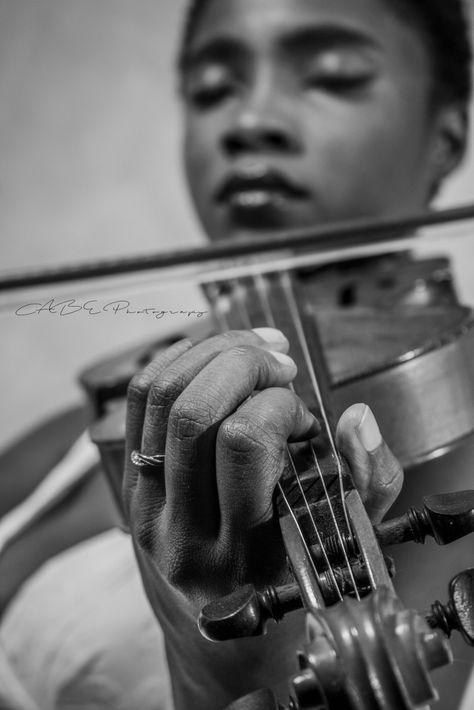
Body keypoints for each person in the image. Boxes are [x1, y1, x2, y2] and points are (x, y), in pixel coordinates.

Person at [0, 0, 472, 708]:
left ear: (446, 137)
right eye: (213, 89)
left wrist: (216, 681)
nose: (248, 122)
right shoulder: (73, 439)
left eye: (331, 76)